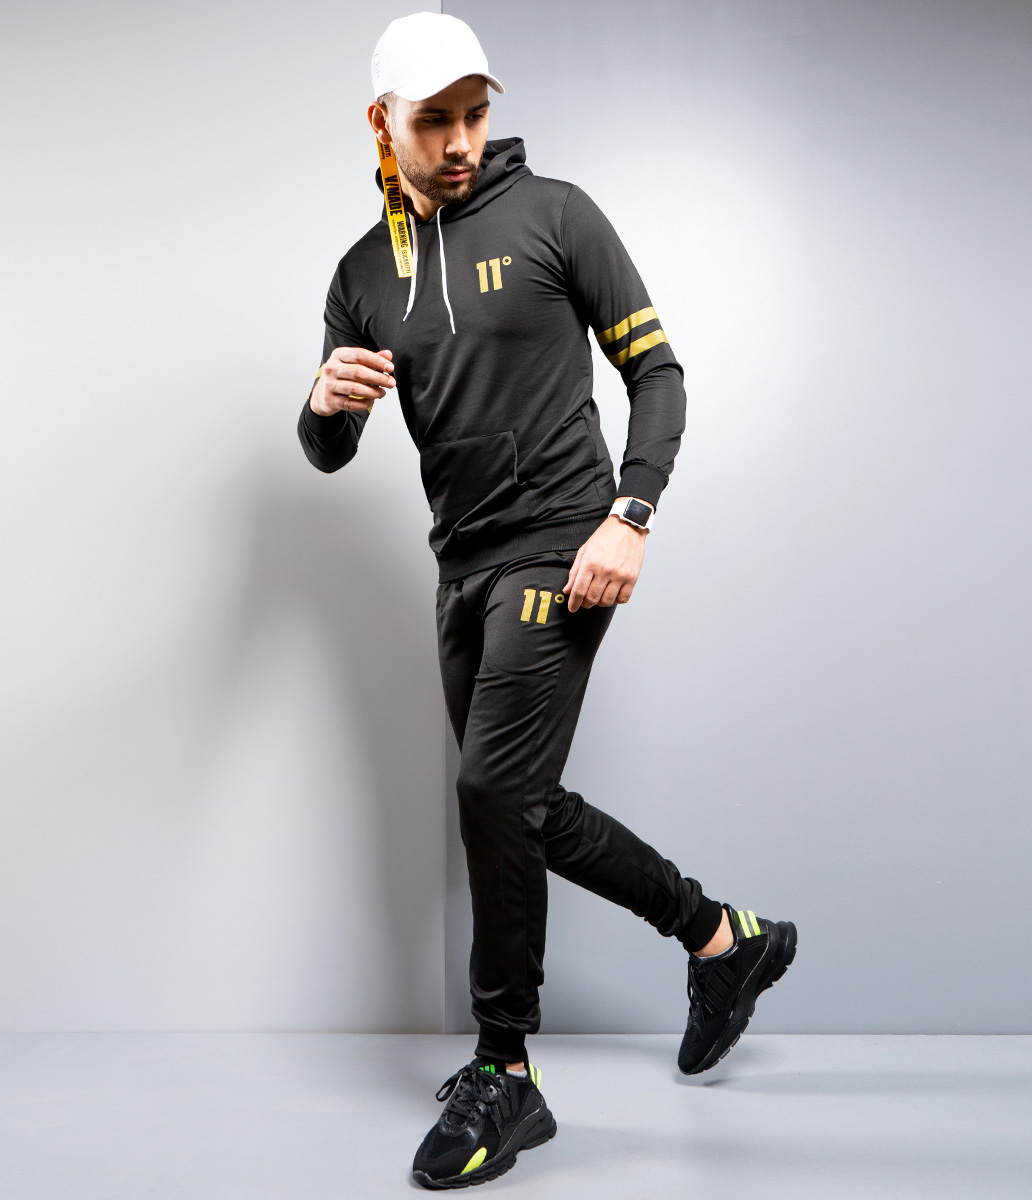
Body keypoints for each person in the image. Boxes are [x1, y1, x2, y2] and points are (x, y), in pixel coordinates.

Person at [298, 11, 797, 1189]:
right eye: (434, 120)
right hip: (460, 567)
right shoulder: (363, 275)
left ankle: (506, 1071)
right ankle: (721, 938)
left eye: (476, 114)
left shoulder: (557, 215)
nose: (461, 141)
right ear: (382, 123)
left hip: (565, 543)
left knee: (490, 790)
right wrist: (323, 403)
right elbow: (327, 450)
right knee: (518, 803)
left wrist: (631, 513)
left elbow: (657, 373)